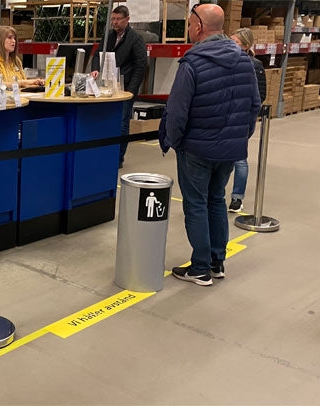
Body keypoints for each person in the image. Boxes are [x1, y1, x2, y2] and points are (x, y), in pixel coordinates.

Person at [159, 4, 261, 286]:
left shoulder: (192, 63)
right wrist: (239, 137)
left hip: (197, 149)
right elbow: (254, 105)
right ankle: (217, 262)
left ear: (199, 26)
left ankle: (200, 268)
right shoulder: (244, 61)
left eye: (189, 23)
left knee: (195, 204)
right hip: (229, 150)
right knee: (216, 200)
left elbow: (177, 111)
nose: (188, 28)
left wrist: (175, 141)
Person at [90, 5, 147, 169]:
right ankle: (106, 154)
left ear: (127, 19)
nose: (115, 22)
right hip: (108, 87)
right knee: (108, 121)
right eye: (113, 19)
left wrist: (131, 90)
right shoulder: (108, 36)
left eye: (118, 19)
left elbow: (141, 66)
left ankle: (118, 158)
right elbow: (97, 54)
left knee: (122, 123)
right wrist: (95, 69)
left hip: (126, 88)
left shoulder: (135, 39)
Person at [228, 27, 266, 213]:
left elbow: (260, 95)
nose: (231, 44)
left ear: (246, 45)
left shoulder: (254, 65)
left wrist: (247, 119)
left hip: (241, 120)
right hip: (224, 119)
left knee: (239, 160)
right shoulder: (226, 62)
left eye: (235, 42)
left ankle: (237, 198)